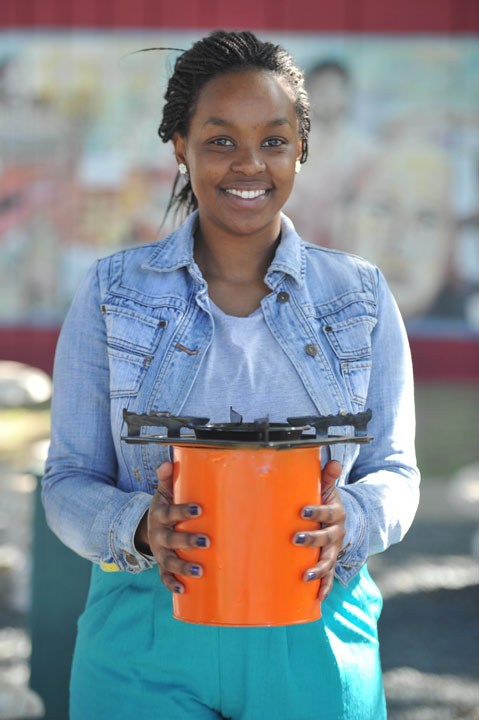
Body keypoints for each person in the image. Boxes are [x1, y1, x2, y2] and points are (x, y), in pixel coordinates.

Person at [42, 30, 419, 720]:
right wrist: (137, 526)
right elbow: (67, 479)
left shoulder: (359, 296)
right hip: (143, 639)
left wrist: (354, 521)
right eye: (219, 140)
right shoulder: (109, 292)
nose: (249, 164)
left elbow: (394, 468)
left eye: (273, 140)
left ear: (301, 147)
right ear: (179, 145)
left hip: (314, 634)